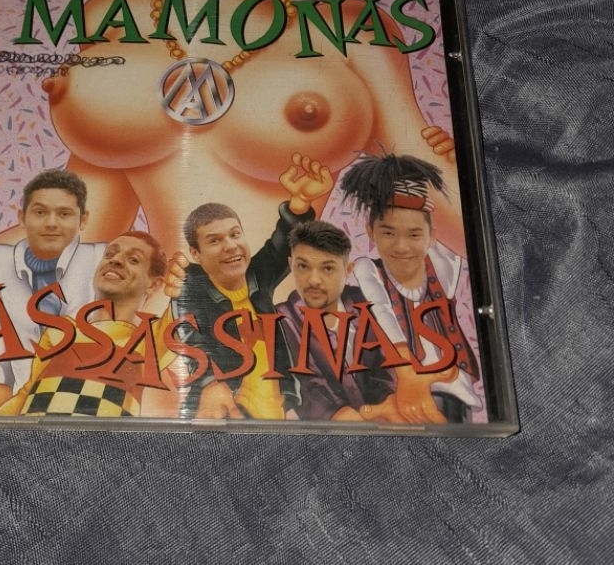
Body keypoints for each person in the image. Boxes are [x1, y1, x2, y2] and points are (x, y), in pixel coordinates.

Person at [35, 0, 464, 258]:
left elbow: (428, 179)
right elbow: (90, 214)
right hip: (162, 323)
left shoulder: (350, 29)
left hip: (284, 325)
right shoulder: (109, 15)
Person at [165, 153, 334, 420]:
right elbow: (191, 338)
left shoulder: (257, 277)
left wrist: (300, 203)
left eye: (235, 234)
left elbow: (281, 244)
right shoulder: (192, 287)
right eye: (214, 240)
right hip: (231, 414)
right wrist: (210, 384)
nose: (231, 246)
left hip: (282, 413)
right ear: (196, 254)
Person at [339, 153, 482, 423]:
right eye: (388, 233)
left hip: (454, 393)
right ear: (371, 231)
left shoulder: (443, 265)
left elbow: (462, 225)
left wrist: (452, 164)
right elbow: (383, 312)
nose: (401, 246)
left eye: (414, 234)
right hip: (400, 393)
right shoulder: (368, 270)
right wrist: (407, 375)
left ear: (432, 236)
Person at [0, 169, 107, 415]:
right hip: (18, 405)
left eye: (64, 213)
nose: (51, 223)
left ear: (83, 219)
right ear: (22, 217)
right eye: (40, 212)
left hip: (87, 402)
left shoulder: (105, 258)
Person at [0, 231, 169, 417]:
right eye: (109, 254)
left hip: (99, 436)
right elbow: (24, 395)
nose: (116, 260)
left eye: (133, 259)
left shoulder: (149, 340)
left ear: (154, 285)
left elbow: (182, 314)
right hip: (33, 433)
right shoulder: (59, 333)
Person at [275, 220, 395, 421]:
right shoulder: (282, 318)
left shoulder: (364, 302)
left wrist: (386, 404)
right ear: (291, 265)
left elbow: (387, 365)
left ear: (348, 270)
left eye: (328, 268)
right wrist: (339, 414)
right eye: (303, 266)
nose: (313, 280)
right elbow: (308, 385)